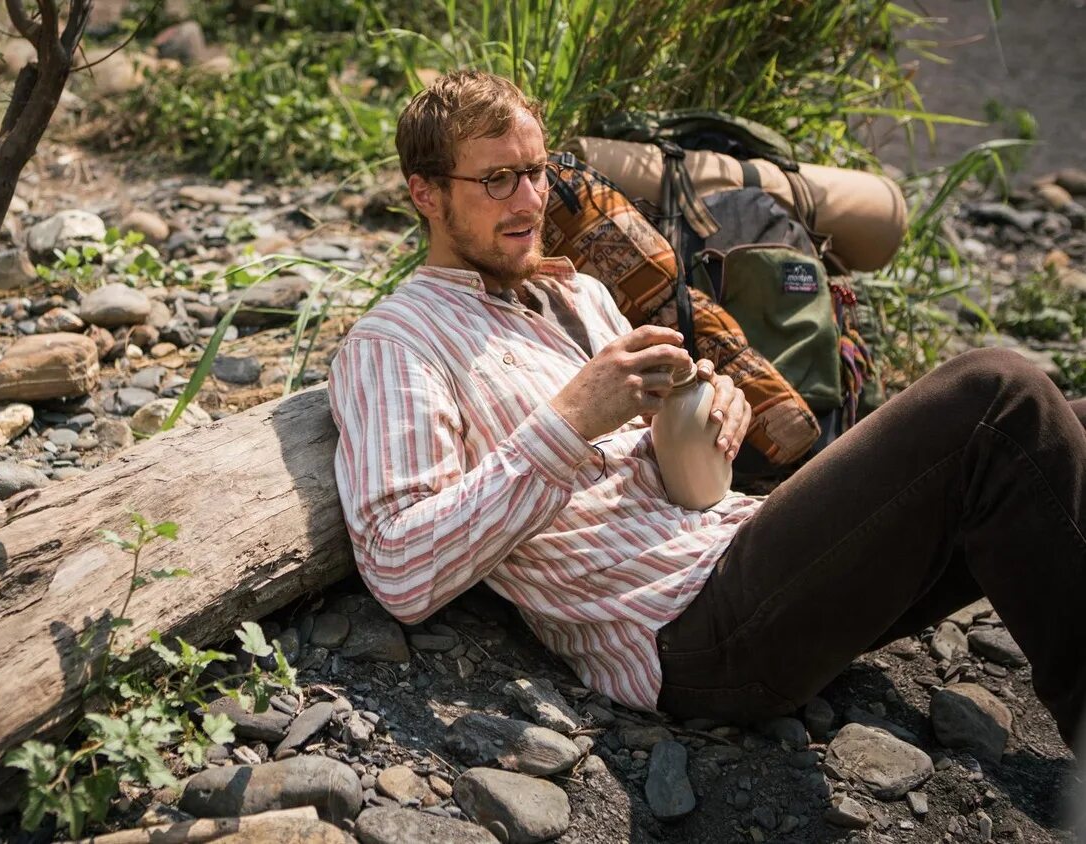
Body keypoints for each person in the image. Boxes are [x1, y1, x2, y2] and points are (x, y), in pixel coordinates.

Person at [326, 68, 1086, 752]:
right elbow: (400, 567)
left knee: (1065, 420)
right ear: (426, 192)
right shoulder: (398, 342)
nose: (530, 200)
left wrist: (703, 413)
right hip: (689, 631)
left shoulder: (577, 294)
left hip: (741, 544)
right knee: (997, 394)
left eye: (535, 170)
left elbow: (672, 471)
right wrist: (569, 421)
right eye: (497, 180)